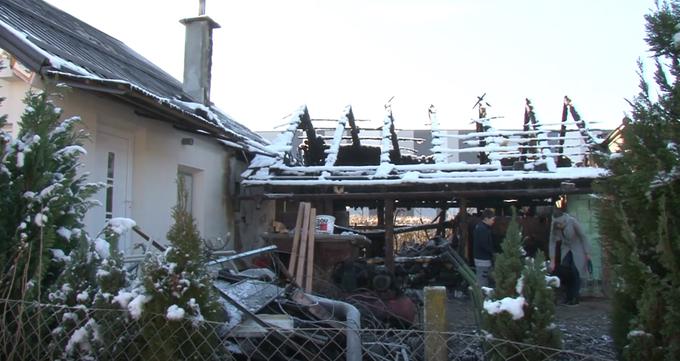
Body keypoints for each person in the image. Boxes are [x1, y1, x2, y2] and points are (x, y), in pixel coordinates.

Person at [549, 207, 591, 306]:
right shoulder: (554, 225)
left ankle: (575, 297)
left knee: (575, 271)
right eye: (557, 224)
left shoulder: (572, 221)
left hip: (578, 248)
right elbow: (552, 242)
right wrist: (552, 260)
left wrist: (587, 253)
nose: (559, 226)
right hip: (566, 248)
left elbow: (583, 236)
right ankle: (568, 296)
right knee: (565, 272)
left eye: (561, 223)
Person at [473, 209, 496, 288]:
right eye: (492, 219)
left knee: (485, 279)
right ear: (486, 219)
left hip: (482, 258)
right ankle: (481, 297)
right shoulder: (482, 229)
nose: (493, 222)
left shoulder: (481, 227)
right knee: (483, 281)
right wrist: (493, 253)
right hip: (483, 259)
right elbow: (484, 244)